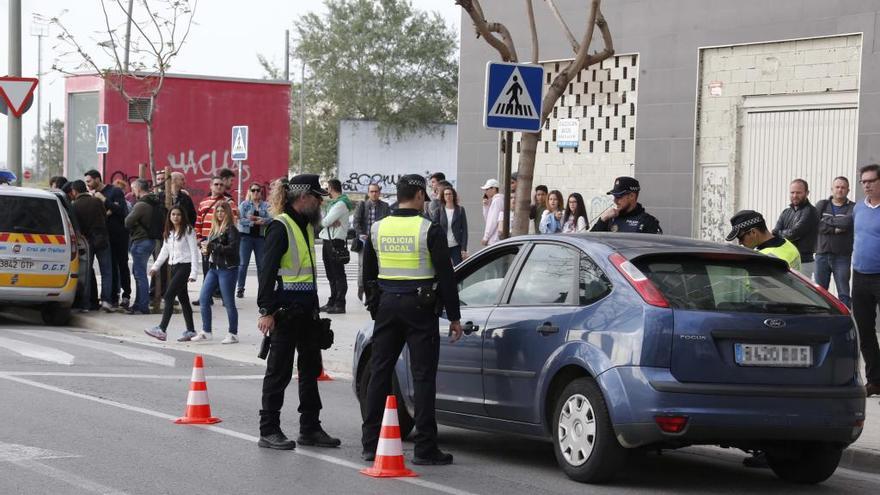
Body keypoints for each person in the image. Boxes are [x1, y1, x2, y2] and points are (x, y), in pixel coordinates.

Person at [361, 174, 463, 465]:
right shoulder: (428, 229)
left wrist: (375, 306)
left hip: (387, 306)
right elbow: (446, 276)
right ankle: (425, 448)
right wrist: (454, 317)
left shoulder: (378, 228)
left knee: (380, 372)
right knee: (423, 376)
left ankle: (370, 444)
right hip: (420, 308)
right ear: (419, 195)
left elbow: (368, 274)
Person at [257, 174, 340, 450]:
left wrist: (315, 309)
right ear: (303, 197)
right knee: (278, 371)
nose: (320, 203)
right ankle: (268, 429)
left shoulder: (304, 226)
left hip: (306, 311)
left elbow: (307, 274)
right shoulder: (280, 227)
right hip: (284, 312)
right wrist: (266, 310)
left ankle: (310, 428)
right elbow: (267, 272)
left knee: (310, 369)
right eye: (317, 198)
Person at [145, 206, 199, 342]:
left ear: (183, 216)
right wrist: (155, 266)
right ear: (169, 216)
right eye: (173, 214)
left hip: (185, 267)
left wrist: (193, 273)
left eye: (178, 214)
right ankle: (191, 330)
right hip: (173, 267)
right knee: (184, 299)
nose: (176, 217)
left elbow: (194, 252)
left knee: (168, 296)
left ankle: (162, 329)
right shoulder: (169, 232)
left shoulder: (188, 231)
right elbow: (164, 251)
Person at [85, 169, 132, 310]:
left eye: (89, 181)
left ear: (97, 179)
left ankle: (126, 295)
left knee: (122, 264)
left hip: (119, 235)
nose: (87, 184)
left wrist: (104, 200)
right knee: (109, 267)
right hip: (104, 236)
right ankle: (112, 298)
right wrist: (108, 211)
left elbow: (121, 211)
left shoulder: (114, 191)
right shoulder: (92, 195)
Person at [195, 201, 240, 343]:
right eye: (218, 211)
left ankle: (233, 333)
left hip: (227, 269)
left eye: (223, 211)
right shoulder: (214, 229)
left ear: (228, 213)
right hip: (214, 268)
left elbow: (233, 248)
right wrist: (205, 248)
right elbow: (211, 248)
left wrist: (214, 246)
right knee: (203, 298)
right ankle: (206, 331)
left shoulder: (232, 229)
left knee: (228, 302)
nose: (220, 214)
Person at [853, 163, 880, 397]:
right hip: (860, 275)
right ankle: (875, 380)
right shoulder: (858, 209)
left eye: (871, 181)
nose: (867, 185)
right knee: (865, 330)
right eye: (863, 182)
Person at [194, 176, 239, 306]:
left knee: (224, 268)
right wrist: (198, 237)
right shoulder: (203, 203)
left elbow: (233, 221)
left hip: (223, 241)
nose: (219, 186)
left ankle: (226, 297)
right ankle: (206, 296)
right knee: (207, 269)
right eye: (216, 184)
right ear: (211, 186)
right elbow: (198, 222)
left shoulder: (229, 202)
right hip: (206, 241)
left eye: (221, 185)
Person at [68, 180, 110, 312]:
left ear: (74, 191)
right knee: (106, 271)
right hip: (102, 238)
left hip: (87, 242)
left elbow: (76, 225)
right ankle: (106, 301)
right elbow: (104, 216)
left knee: (86, 272)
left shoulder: (74, 206)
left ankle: (85, 303)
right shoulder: (97, 201)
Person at [814, 177, 855, 306]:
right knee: (820, 293)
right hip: (822, 255)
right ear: (832, 189)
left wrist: (825, 221)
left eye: (843, 187)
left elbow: (847, 223)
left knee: (843, 293)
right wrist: (835, 229)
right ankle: (821, 321)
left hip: (842, 257)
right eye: (837, 187)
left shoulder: (853, 207)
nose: (840, 190)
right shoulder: (822, 205)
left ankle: (846, 322)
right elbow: (815, 224)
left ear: (848, 190)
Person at [124, 179, 161, 315]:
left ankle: (142, 306)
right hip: (151, 240)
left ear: (138, 189)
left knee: (140, 275)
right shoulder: (155, 201)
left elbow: (127, 222)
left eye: (133, 189)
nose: (132, 193)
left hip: (141, 241)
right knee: (139, 273)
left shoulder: (141, 204)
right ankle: (138, 304)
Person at [318, 179, 353, 314]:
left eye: (327, 189)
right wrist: (327, 221)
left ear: (331, 188)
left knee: (338, 274)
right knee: (330, 274)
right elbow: (326, 221)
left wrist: (327, 221)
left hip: (335, 241)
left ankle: (340, 303)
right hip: (328, 240)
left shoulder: (341, 204)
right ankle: (332, 301)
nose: (327, 192)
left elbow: (325, 221)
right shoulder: (333, 204)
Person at [353, 183, 392, 301]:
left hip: (379, 241)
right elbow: (356, 222)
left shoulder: (385, 206)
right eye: (372, 191)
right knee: (362, 266)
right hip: (364, 241)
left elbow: (388, 222)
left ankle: (377, 290)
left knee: (379, 265)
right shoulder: (362, 205)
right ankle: (361, 287)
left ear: (379, 193)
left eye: (376, 191)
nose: (374, 194)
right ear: (368, 193)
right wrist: (361, 234)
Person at [773, 179, 818, 278]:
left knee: (802, 292)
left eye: (798, 192)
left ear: (807, 193)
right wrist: (781, 233)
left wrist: (780, 233)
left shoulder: (810, 212)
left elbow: (793, 234)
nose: (795, 195)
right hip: (785, 261)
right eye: (792, 192)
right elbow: (774, 232)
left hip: (803, 263)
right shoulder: (786, 212)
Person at [726, 210, 801, 270]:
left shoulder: (762, 259)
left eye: (740, 237)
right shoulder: (788, 245)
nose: (740, 243)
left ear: (753, 232)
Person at [591, 176, 662, 234]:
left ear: (632, 196)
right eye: (614, 196)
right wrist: (602, 220)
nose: (615, 201)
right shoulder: (610, 218)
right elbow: (591, 242)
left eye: (619, 197)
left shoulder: (648, 222)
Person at [237, 183, 270, 298]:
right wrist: (254, 222)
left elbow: (271, 218)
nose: (256, 192)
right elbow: (240, 219)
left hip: (260, 238)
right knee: (242, 264)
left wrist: (261, 219)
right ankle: (240, 288)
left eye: (258, 190)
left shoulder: (266, 205)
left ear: (261, 192)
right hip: (246, 237)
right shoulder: (244, 204)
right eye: (253, 190)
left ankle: (262, 288)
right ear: (249, 191)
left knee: (261, 265)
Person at [433, 185, 468, 265]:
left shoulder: (460, 210)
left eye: (450, 194)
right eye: (446, 194)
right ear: (443, 196)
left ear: (453, 195)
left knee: (458, 268)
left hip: (456, 246)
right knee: (443, 268)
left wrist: (463, 248)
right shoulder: (438, 211)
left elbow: (465, 230)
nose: (448, 196)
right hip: (443, 246)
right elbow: (434, 230)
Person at [480, 178, 503, 246]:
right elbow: (488, 219)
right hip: (494, 239)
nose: (485, 192)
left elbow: (493, 220)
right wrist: (485, 206)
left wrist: (486, 237)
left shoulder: (497, 200)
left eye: (487, 189)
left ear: (494, 189)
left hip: (495, 239)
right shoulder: (495, 200)